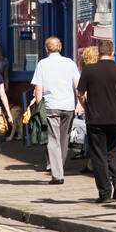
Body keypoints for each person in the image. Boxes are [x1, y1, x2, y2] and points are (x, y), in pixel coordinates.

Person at [77, 42, 116, 203]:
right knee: (113, 151)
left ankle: (105, 192)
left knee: (99, 155)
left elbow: (80, 93)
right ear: (112, 52)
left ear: (99, 53)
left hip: (96, 120)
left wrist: (86, 106)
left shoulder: (89, 70)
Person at [30, 37, 81, 185]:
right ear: (60, 47)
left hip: (51, 105)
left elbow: (38, 88)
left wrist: (39, 108)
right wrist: (80, 104)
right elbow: (78, 84)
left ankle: (57, 174)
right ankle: (59, 168)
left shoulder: (42, 64)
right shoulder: (70, 63)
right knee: (63, 140)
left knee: (53, 140)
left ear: (46, 49)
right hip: (68, 106)